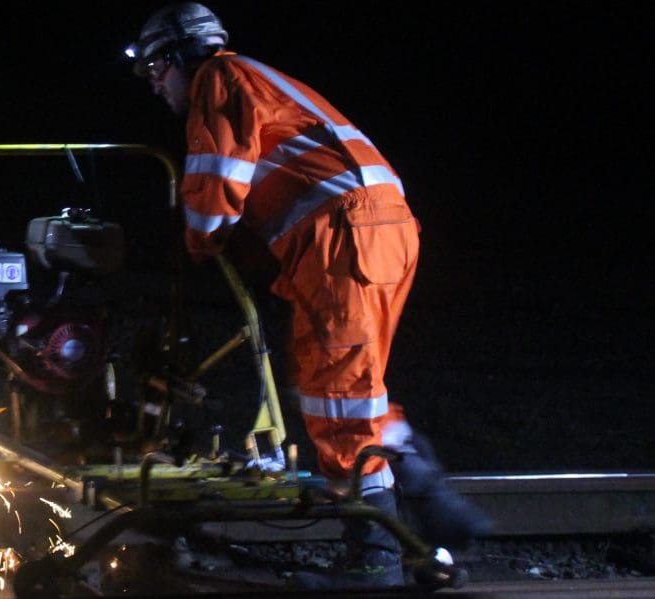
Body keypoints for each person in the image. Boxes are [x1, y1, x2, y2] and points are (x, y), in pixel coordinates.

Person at [125, 2, 490, 588]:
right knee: (351, 388)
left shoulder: (219, 80)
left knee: (339, 396)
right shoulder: (267, 79)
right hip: (383, 232)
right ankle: (432, 507)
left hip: (339, 238)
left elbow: (216, 180)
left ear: (176, 57)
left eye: (154, 71)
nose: (154, 87)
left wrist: (199, 238)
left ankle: (375, 562)